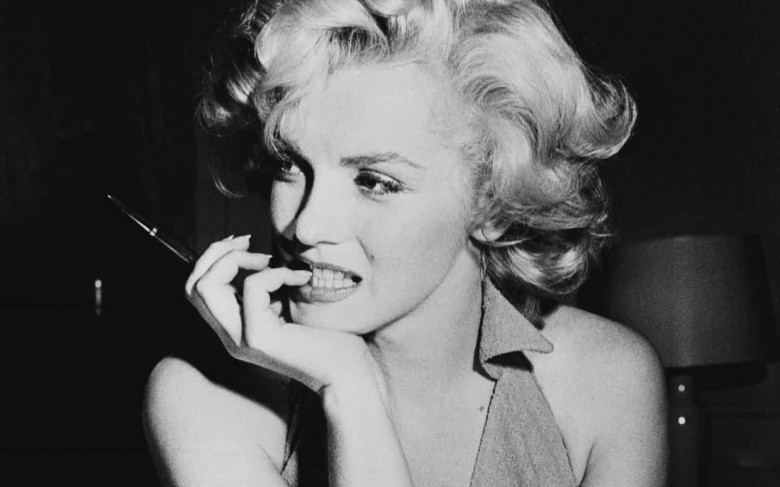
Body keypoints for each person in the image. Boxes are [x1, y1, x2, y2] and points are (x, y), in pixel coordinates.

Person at [143, 0, 668, 485]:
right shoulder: (203, 397)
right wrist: (351, 388)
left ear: (491, 204)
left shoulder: (604, 381)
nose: (306, 226)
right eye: (289, 165)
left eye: (374, 181)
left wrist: (351, 390)